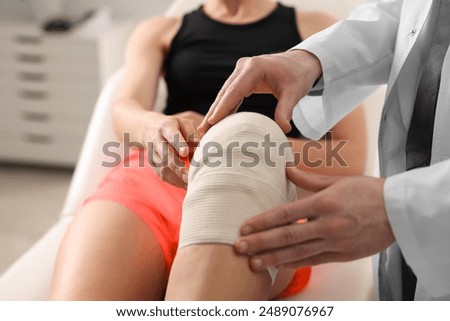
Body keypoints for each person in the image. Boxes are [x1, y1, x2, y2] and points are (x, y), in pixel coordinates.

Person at [49, 0, 366, 300]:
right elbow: (125, 107)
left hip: (258, 191)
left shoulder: (315, 29)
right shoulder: (161, 30)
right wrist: (153, 127)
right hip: (155, 180)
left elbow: (350, 158)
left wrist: (235, 141)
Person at [199, 0, 450, 301]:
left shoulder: (308, 20)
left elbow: (349, 156)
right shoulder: (161, 30)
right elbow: (410, 13)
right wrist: (309, 59)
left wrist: (406, 206)